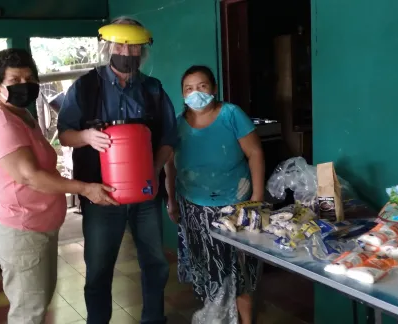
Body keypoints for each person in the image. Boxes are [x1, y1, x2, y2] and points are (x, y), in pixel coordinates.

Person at [0, 48, 117, 324]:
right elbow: (30, 176)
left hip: (38, 228)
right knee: (29, 311)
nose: (23, 85)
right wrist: (86, 188)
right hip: (21, 230)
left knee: (38, 303)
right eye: (14, 80)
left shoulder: (22, 115)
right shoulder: (1, 124)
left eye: (29, 77)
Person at [57, 18, 177, 324]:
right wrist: (85, 137)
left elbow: (168, 140)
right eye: (121, 44)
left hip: (145, 197)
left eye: (133, 45)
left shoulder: (152, 90)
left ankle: (153, 319)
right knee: (98, 269)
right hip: (100, 195)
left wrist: (151, 169)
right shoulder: (85, 88)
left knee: (155, 263)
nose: (127, 51)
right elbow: (65, 134)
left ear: (141, 50)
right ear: (109, 46)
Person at [164, 65, 265, 324]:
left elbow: (255, 153)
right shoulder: (177, 124)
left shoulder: (231, 114)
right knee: (209, 269)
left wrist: (257, 195)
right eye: (189, 89)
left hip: (235, 206)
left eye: (202, 86)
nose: (195, 93)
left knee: (240, 270)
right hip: (194, 207)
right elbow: (170, 164)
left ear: (214, 89)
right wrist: (172, 200)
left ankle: (245, 320)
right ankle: (219, 316)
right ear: (183, 95)